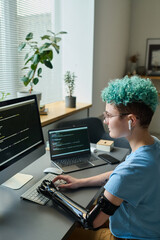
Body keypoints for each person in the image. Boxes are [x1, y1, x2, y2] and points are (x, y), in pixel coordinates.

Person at [53, 75, 160, 240]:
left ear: (131, 120)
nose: (105, 121)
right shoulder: (154, 145)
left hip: (129, 236)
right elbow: (120, 175)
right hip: (149, 228)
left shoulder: (130, 171)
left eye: (109, 115)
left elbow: (91, 222)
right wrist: (80, 182)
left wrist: (52, 193)